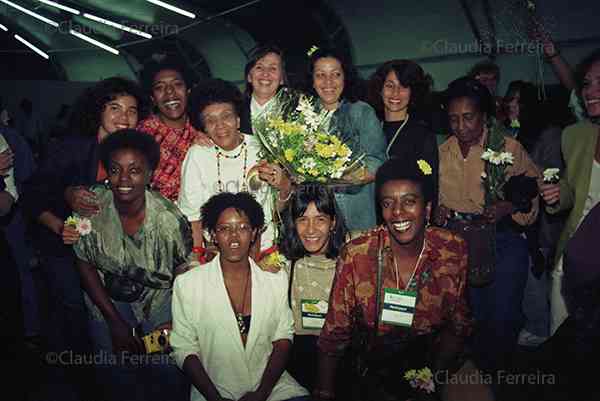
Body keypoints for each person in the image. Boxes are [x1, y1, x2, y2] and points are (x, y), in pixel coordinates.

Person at [314, 157, 493, 401]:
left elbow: (458, 323)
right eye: (388, 203)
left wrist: (432, 379)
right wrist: (324, 391)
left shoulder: (451, 249)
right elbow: (334, 334)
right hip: (373, 367)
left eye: (409, 202)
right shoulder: (358, 255)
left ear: (427, 209)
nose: (398, 213)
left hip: (434, 359)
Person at [21, 76, 145, 400]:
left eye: (132, 110)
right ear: (98, 111)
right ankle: (85, 385)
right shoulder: (74, 148)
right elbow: (32, 195)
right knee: (75, 316)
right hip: (62, 249)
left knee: (108, 318)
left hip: (103, 254)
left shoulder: (132, 152)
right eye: (115, 107)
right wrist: (60, 224)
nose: (124, 117)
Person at [72, 129, 192, 401]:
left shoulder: (168, 221)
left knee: (164, 367)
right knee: (114, 369)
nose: (124, 179)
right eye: (115, 170)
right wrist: (114, 321)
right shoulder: (92, 205)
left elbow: (185, 274)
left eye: (135, 170)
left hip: (160, 302)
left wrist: (176, 322)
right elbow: (83, 261)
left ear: (150, 174)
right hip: (104, 297)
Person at [436, 77, 540, 375]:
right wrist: (439, 210)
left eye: (468, 117)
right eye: (453, 119)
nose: (461, 126)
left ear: (484, 116)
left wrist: (508, 207)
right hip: (461, 244)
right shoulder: (443, 153)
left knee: (504, 316)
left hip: (503, 241)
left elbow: (531, 194)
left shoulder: (508, 147)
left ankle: (501, 374)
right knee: (474, 317)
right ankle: (481, 377)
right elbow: (436, 197)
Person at [170, 191, 310, 401]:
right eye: (225, 229)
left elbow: (283, 338)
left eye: (243, 228)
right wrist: (214, 397)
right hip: (214, 389)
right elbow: (183, 347)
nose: (234, 237)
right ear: (213, 235)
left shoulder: (275, 281)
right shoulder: (189, 285)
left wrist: (262, 393)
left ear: (254, 233)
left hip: (271, 388)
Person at [178, 78, 290, 258]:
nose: (220, 125)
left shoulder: (263, 148)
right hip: (217, 252)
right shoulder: (197, 155)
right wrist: (198, 255)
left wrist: (285, 186)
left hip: (265, 248)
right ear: (203, 127)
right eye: (210, 120)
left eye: (226, 116)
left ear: (238, 120)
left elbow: (277, 210)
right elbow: (193, 217)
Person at [540, 48, 600, 336]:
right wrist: (556, 194)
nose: (591, 91)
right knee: (563, 341)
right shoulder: (575, 137)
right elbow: (573, 191)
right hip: (575, 260)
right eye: (587, 84)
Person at [306, 47, 387, 232]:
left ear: (345, 77)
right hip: (315, 220)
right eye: (320, 75)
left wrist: (340, 176)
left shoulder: (361, 112)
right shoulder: (302, 116)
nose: (328, 82)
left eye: (336, 74)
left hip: (355, 214)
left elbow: (377, 162)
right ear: (312, 80)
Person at [277, 183, 347, 391]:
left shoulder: (350, 263)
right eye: (303, 220)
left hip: (341, 363)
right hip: (296, 365)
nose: (311, 230)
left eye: (320, 220)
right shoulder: (285, 265)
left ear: (333, 222)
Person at [138, 57, 211, 201]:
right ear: (152, 97)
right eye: (160, 87)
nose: (170, 92)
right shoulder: (140, 135)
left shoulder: (204, 128)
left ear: (188, 90)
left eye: (177, 84)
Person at [368, 59, 439, 206]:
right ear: (379, 89)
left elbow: (430, 186)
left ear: (413, 92)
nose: (395, 93)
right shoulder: (369, 128)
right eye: (389, 85)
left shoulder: (422, 134)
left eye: (403, 86)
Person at [240, 44, 288, 135]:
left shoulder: (296, 114)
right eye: (259, 67)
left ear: (282, 79)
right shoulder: (233, 113)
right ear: (249, 77)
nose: (265, 73)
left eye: (273, 68)